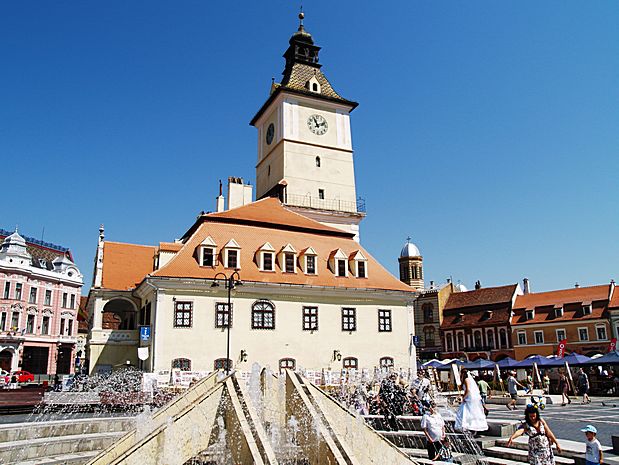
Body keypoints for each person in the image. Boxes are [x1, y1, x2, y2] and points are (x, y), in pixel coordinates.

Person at [455, 368, 488, 433]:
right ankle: (468, 426)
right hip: (470, 397)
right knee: (468, 411)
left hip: (469, 398)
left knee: (467, 411)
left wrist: (463, 397)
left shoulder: (466, 379)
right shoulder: (468, 379)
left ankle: (468, 426)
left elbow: (468, 390)